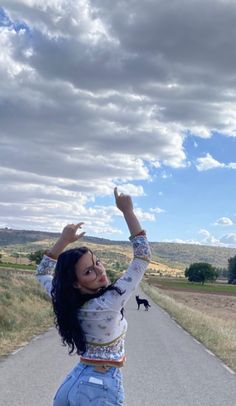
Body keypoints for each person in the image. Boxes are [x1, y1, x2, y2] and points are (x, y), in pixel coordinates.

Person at [36, 187, 151, 406]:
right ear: (76, 282)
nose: (100, 271)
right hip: (100, 386)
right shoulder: (109, 302)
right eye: (89, 271)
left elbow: (42, 272)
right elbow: (142, 257)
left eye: (97, 263)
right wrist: (128, 211)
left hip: (74, 380)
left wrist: (63, 241)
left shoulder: (63, 298)